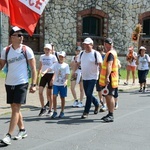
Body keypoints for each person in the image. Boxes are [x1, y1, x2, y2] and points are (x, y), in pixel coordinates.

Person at [0, 26, 37, 145]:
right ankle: (22, 130)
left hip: (22, 82)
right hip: (9, 82)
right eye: (19, 35)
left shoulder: (27, 50)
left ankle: (8, 135)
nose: (22, 37)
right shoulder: (6, 51)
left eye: (22, 35)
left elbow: (33, 68)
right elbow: (1, 65)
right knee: (14, 108)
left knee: (16, 108)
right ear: (12, 37)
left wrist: (34, 84)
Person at [72, 37, 102, 119]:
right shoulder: (81, 54)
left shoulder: (96, 54)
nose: (86, 46)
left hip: (93, 76)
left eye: (88, 45)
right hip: (84, 76)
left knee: (88, 93)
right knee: (88, 94)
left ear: (92, 45)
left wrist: (102, 75)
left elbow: (100, 65)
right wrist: (74, 72)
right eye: (85, 44)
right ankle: (97, 104)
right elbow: (77, 63)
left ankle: (86, 111)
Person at [42, 51, 70, 118]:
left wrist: (66, 81)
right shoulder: (56, 64)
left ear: (65, 58)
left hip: (62, 84)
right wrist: (45, 72)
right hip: (56, 84)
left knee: (62, 97)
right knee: (54, 96)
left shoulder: (66, 65)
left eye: (62, 57)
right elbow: (50, 68)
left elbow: (67, 74)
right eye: (60, 57)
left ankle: (62, 111)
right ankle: (55, 111)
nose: (61, 58)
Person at [99, 38, 118, 122]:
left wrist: (107, 77)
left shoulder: (110, 53)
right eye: (108, 44)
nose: (108, 46)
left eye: (109, 44)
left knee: (109, 96)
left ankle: (111, 115)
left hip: (110, 77)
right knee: (108, 96)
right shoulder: (113, 52)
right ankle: (109, 113)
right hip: (112, 77)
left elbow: (109, 65)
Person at [37, 44, 58, 117]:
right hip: (43, 75)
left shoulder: (53, 57)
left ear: (51, 50)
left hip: (50, 74)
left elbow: (56, 68)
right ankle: (43, 108)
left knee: (49, 94)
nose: (47, 51)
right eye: (46, 49)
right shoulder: (42, 56)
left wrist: (53, 78)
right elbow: (40, 66)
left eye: (48, 49)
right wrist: (38, 76)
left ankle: (50, 109)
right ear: (44, 49)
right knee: (40, 92)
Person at [96, 45, 107, 112]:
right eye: (98, 51)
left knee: (104, 89)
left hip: (104, 74)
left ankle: (104, 103)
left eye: (101, 51)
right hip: (97, 74)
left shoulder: (105, 56)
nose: (100, 52)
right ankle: (101, 100)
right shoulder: (96, 56)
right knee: (99, 89)